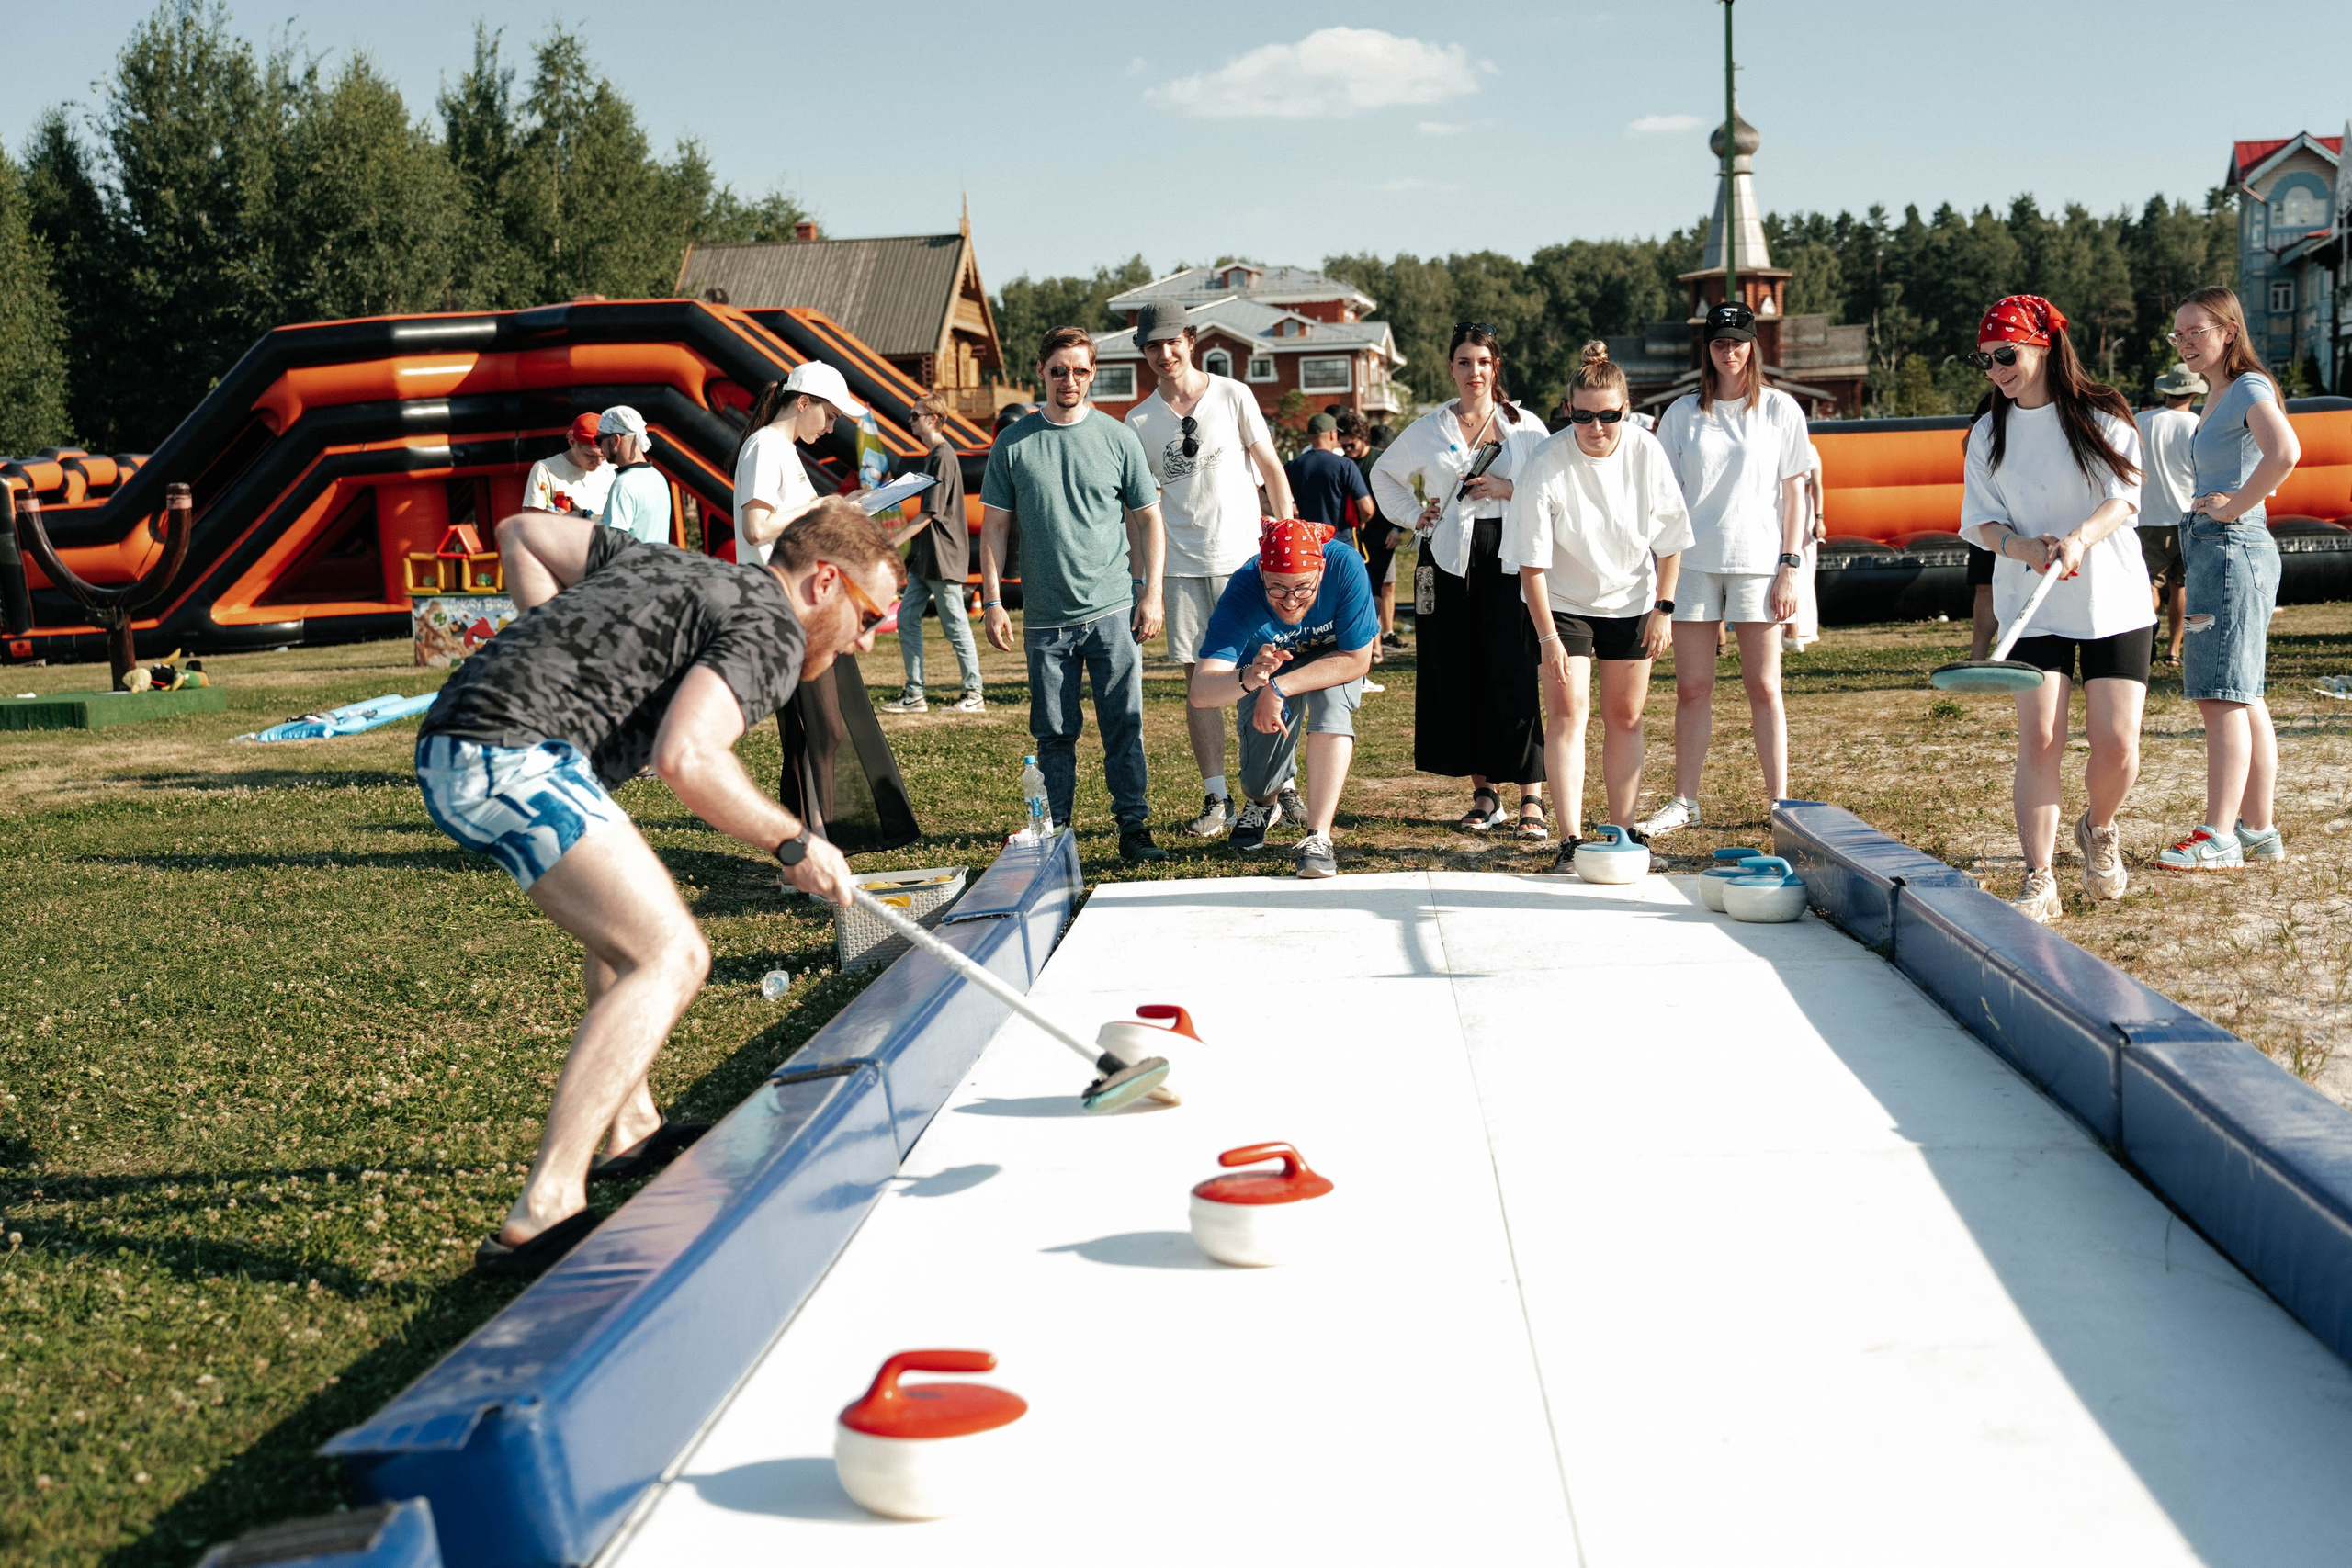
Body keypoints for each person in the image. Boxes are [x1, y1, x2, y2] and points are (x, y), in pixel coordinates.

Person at [414, 498, 902, 1275]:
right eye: (871, 614)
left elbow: (521, 533)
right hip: (507, 752)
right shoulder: (771, 631)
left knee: (625, 936)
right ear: (824, 583)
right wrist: (794, 843)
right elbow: (690, 758)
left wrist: (564, 658)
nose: (869, 642)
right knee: (672, 955)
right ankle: (543, 1209)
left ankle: (631, 1124)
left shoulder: (668, 561)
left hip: (468, 738)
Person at [1957, 294, 2153, 923]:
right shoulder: (1988, 431)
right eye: (1985, 360)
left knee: (2117, 744)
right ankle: (2039, 875)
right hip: (2030, 606)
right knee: (2040, 737)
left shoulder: (2102, 416)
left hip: (2111, 600)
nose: (1996, 371)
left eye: (2006, 355)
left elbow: (2124, 500)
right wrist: (2020, 546)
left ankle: (2098, 826)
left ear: (2043, 346)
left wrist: (2079, 539)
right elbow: (1981, 522)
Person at [980, 326, 1170, 863]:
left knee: (1123, 725)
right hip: (1044, 618)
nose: (1069, 380)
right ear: (1041, 371)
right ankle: (1056, 836)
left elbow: (1149, 521)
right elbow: (993, 529)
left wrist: (1150, 593)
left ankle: (1133, 828)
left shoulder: (1118, 438)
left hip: (1112, 610)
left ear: (1093, 374)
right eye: (1058, 370)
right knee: (1054, 734)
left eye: (1080, 370)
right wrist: (993, 601)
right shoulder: (1012, 443)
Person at [1506, 343, 1690, 866]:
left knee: (1626, 716)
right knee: (1569, 712)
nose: (1596, 426)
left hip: (1631, 597)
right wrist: (1548, 639)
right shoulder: (1547, 460)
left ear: (1625, 411)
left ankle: (1623, 832)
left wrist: (1664, 607)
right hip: (1561, 600)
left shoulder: (1644, 450)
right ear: (1568, 411)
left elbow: (1671, 538)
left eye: (1608, 416)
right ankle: (1568, 840)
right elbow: (1530, 564)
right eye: (1583, 416)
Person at [1372, 323, 1553, 838]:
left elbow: (1551, 489)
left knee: (1514, 671)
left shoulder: (1526, 428)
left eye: (1483, 362)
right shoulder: (1428, 428)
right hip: (1446, 560)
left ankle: (1531, 798)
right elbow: (1383, 474)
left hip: (1510, 556)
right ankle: (1484, 792)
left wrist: (1505, 487)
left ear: (1496, 367)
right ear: (1450, 368)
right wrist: (1414, 515)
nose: (1474, 372)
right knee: (1461, 672)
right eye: (1464, 362)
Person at [1124, 301, 1296, 840]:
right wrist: (1144, 584)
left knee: (1270, 670)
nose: (1165, 353)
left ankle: (1279, 787)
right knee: (1201, 684)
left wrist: (1286, 545)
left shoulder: (1233, 394)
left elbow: (1270, 469)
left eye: (1173, 341)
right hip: (1181, 570)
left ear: (1191, 340)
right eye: (1153, 345)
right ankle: (1216, 796)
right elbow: (1139, 511)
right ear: (1144, 352)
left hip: (1247, 561)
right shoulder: (1139, 420)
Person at [1641, 302, 1814, 836]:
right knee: (1694, 687)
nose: (1729, 351)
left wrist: (1790, 564)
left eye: (1738, 342)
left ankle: (1780, 802)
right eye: (1719, 343)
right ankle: (1684, 800)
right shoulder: (1681, 414)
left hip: (1759, 562)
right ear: (1707, 349)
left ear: (1752, 345)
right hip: (1692, 563)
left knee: (1764, 686)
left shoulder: (1781, 410)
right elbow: (1663, 498)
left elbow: (1793, 494)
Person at [2154, 287, 2299, 871]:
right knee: (2243, 693)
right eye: (2178, 334)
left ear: (2228, 333)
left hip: (2231, 546)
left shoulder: (2246, 387)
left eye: (2197, 332)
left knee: (2219, 692)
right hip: (2220, 545)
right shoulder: (2218, 392)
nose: (2186, 342)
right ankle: (2257, 829)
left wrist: (2233, 506)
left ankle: (2218, 835)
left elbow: (2285, 452)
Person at [1189, 517, 1378, 879]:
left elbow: (1358, 658)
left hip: (1332, 659)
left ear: (1321, 570)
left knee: (1332, 709)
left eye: (1303, 588)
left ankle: (1318, 837)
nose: (1291, 602)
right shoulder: (1242, 588)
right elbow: (1201, 692)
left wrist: (1278, 688)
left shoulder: (1344, 565)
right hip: (1266, 666)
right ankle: (1263, 802)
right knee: (1259, 780)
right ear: (1261, 572)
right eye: (1277, 588)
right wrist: (1251, 678)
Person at [879, 391, 982, 715]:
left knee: (955, 626)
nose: (910, 420)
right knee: (908, 618)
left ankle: (974, 693)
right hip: (927, 559)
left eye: (915, 415)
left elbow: (929, 514)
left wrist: (891, 545)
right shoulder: (933, 455)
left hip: (943, 555)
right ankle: (915, 694)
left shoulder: (942, 456)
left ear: (934, 419)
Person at [734, 363, 861, 566]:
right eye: (829, 417)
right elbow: (756, 530)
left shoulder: (781, 447)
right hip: (770, 588)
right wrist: (818, 507)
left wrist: (840, 506)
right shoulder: (765, 445)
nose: (830, 428)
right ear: (803, 403)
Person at [2134, 364, 2206, 666]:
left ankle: (2146, 637)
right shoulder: (2198, 425)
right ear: (2193, 392)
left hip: (2148, 515)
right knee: (2182, 586)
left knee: (2148, 584)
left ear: (2166, 390)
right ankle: (2173, 651)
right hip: (2189, 516)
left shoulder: (2140, 420)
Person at [1338, 411, 1406, 661]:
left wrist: (1398, 529)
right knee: (1358, 591)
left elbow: (1402, 495)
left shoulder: (1382, 461)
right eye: (1343, 446)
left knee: (1376, 590)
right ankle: (1366, 644)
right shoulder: (1345, 464)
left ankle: (1373, 644)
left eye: (1351, 445)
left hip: (1383, 535)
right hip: (1354, 538)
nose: (1348, 450)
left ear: (1362, 438)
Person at [594, 407, 672, 546]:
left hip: (632, 567)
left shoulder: (624, 484)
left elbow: (609, 546)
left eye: (599, 440)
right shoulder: (658, 478)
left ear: (615, 439)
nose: (600, 448)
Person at [523, 413, 616, 520]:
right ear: (572, 442)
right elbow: (530, 520)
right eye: (591, 455)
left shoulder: (613, 468)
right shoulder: (545, 469)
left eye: (603, 456)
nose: (599, 462)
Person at [1783, 441, 1826, 653]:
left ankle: (1799, 627)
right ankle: (1786, 627)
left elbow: (1817, 483)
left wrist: (1819, 518)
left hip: (1802, 508)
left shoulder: (1808, 448)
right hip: (1777, 505)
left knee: (1802, 570)